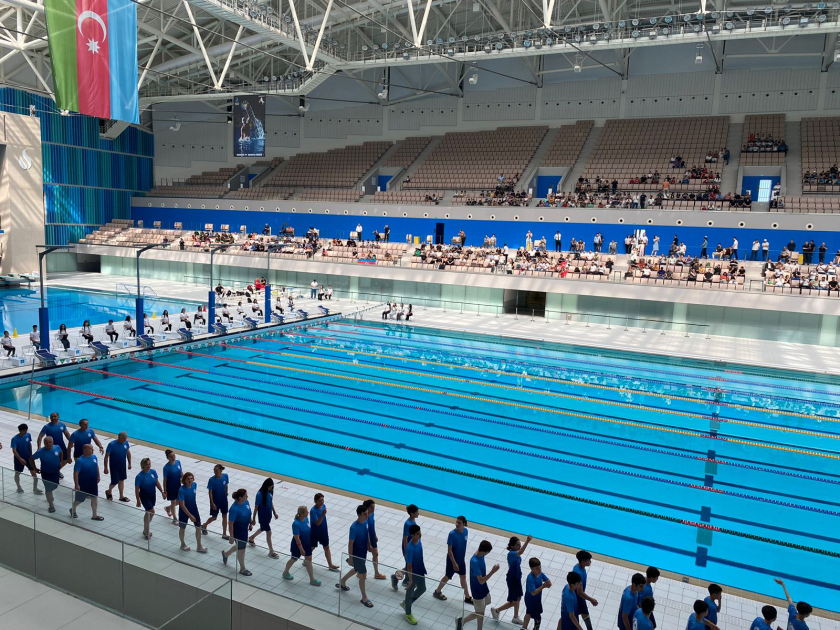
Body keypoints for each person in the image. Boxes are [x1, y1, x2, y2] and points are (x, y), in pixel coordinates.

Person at [455, 540, 499, 630]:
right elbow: (481, 581)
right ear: (484, 551)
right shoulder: (474, 561)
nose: (487, 554)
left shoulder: (481, 554)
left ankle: (466, 623)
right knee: (480, 613)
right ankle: (462, 621)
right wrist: (493, 571)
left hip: (484, 588)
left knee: (481, 611)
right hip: (477, 589)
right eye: (487, 552)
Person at [337, 504, 373, 608]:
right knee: (363, 575)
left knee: (357, 569)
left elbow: (367, 534)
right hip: (357, 554)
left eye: (367, 514)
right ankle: (364, 597)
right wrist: (351, 558)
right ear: (359, 515)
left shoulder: (365, 522)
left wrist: (369, 545)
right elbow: (350, 543)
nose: (367, 516)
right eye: (365, 514)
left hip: (363, 552)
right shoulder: (354, 527)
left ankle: (342, 581)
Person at [490, 534, 530, 623]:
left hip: (516, 578)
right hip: (513, 579)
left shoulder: (515, 553)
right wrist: (527, 541)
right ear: (512, 546)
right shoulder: (512, 554)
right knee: (514, 601)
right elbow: (521, 552)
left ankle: (515, 617)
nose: (519, 546)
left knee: (518, 598)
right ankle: (497, 610)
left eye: (520, 544)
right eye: (517, 545)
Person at [433, 516, 472, 604]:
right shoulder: (452, 534)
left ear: (464, 525)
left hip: (461, 560)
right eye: (456, 522)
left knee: (463, 577)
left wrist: (459, 561)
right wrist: (454, 563)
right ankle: (437, 591)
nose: (457, 524)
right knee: (447, 576)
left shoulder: (466, 531)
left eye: (459, 523)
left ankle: (467, 597)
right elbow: (449, 550)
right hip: (452, 560)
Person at [283, 505, 321, 585]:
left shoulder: (306, 519)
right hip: (298, 545)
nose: (308, 513)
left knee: (309, 559)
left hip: (306, 543)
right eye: (306, 512)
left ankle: (312, 579)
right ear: (302, 513)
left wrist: (312, 542)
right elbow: (297, 538)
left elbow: (308, 531)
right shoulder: (296, 524)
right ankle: (285, 572)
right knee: (294, 559)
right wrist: (301, 549)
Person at [222, 488, 253, 576]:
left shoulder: (246, 502)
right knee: (242, 550)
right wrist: (231, 536)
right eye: (245, 496)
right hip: (238, 531)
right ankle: (242, 569)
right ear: (240, 498)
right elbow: (230, 523)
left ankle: (225, 554)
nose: (247, 497)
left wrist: (250, 523)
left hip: (245, 529)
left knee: (240, 546)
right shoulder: (234, 509)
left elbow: (248, 513)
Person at [30, 436, 65, 512]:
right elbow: (31, 458)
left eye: (50, 442)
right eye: (46, 443)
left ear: (52, 442)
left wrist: (60, 462)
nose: (48, 444)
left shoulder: (57, 447)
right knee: (48, 488)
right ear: (44, 443)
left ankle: (49, 495)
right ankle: (51, 506)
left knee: (55, 485)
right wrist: (34, 468)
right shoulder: (41, 451)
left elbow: (61, 452)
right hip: (46, 473)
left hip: (55, 472)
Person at [70, 443, 102, 520]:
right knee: (80, 499)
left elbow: (96, 466)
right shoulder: (80, 461)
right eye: (91, 449)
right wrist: (76, 484)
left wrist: (98, 475)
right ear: (85, 451)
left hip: (93, 482)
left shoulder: (94, 457)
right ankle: (73, 509)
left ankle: (94, 515)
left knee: (94, 497)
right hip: (83, 483)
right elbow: (76, 473)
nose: (93, 450)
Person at [403, 524, 427, 626]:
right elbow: (409, 566)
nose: (420, 534)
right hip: (412, 574)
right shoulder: (410, 548)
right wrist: (410, 580)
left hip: (420, 571)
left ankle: (406, 604)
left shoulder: (419, 542)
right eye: (417, 533)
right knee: (409, 593)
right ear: (412, 535)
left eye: (420, 532)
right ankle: (408, 613)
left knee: (422, 588)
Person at [178, 471, 207, 553]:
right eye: (188, 479)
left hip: (194, 509)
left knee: (198, 527)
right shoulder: (181, 490)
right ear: (184, 480)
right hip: (184, 511)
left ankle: (199, 546)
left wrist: (192, 514)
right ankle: (182, 544)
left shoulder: (194, 485)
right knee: (182, 528)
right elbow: (182, 505)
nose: (190, 480)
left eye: (191, 478)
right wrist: (190, 516)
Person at [310, 492, 340, 571]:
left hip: (323, 531)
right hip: (315, 532)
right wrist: (323, 514)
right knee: (312, 547)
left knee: (326, 547)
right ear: (315, 501)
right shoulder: (313, 511)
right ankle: (306, 560)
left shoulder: (323, 506)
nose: (322, 502)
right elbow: (317, 523)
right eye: (320, 501)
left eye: (323, 500)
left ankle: (330, 565)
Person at [135, 457, 164, 539]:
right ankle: (146, 529)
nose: (148, 466)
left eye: (149, 464)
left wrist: (162, 491)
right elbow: (137, 489)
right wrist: (138, 500)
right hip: (144, 496)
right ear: (143, 466)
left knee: (149, 512)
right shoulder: (139, 476)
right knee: (151, 511)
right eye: (147, 464)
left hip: (152, 495)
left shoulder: (153, 472)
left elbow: (156, 482)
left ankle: (145, 528)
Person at [249, 477, 279, 557]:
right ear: (266, 486)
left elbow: (271, 502)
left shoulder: (269, 493)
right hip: (262, 516)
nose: (271, 488)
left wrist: (274, 512)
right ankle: (271, 551)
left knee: (263, 528)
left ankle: (251, 538)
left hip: (268, 515)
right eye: (270, 487)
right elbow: (256, 507)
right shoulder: (259, 494)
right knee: (269, 532)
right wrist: (254, 518)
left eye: (272, 487)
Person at [520, 557, 551, 630]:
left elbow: (548, 582)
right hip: (531, 600)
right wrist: (543, 586)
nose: (540, 569)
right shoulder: (530, 578)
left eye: (540, 567)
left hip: (536, 599)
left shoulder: (540, 574)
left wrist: (548, 583)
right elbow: (533, 593)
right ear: (531, 568)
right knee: (538, 617)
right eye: (537, 568)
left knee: (528, 613)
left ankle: (524, 628)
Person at [395, 504, 420, 588]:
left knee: (411, 565)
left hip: (412, 546)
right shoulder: (407, 523)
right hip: (408, 547)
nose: (418, 513)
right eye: (417, 512)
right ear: (412, 514)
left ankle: (404, 579)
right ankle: (402, 579)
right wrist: (406, 551)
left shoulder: (412, 521)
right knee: (410, 565)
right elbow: (405, 538)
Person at [572, 550, 598, 630]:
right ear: (583, 562)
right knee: (574, 617)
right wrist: (591, 599)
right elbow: (579, 592)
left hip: (578, 597)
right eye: (589, 560)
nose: (590, 562)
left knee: (585, 614)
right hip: (577, 598)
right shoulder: (579, 573)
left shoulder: (578, 566)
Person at [11, 423, 40, 494]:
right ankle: (18, 487)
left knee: (34, 473)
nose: (25, 432)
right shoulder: (14, 439)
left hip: (28, 457)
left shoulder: (28, 435)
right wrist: (20, 459)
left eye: (26, 430)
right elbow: (14, 451)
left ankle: (35, 488)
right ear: (20, 431)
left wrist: (31, 454)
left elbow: (29, 444)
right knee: (17, 473)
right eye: (24, 431)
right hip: (18, 459)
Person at [202, 464, 229, 538]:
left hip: (223, 500)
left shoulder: (225, 476)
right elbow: (210, 492)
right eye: (214, 471)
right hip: (215, 501)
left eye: (216, 471)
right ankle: (204, 525)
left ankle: (224, 533)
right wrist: (212, 503)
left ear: (221, 470)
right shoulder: (212, 480)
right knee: (214, 517)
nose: (215, 472)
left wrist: (226, 493)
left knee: (225, 516)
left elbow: (226, 485)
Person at [362, 499, 386, 580]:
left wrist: (375, 535)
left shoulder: (372, 514)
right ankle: (359, 572)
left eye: (374, 507)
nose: (373, 509)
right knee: (363, 555)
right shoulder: (365, 517)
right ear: (367, 508)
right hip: (366, 538)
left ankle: (376, 573)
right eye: (371, 507)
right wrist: (369, 544)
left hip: (372, 537)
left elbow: (373, 526)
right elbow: (366, 531)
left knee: (375, 554)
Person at [104, 432, 131, 501]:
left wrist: (129, 463)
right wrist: (105, 467)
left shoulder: (126, 443)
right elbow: (106, 456)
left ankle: (121, 496)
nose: (126, 440)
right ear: (120, 438)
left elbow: (128, 453)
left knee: (121, 480)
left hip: (122, 465)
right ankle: (109, 491)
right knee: (115, 481)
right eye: (124, 438)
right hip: (114, 466)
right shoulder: (112, 444)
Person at [162, 449, 183, 525]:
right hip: (170, 487)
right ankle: (175, 518)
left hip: (178, 485)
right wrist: (165, 491)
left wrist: (184, 480)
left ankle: (168, 508)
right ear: (167, 458)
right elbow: (165, 480)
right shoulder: (166, 467)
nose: (173, 457)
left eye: (174, 455)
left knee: (179, 502)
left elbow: (181, 472)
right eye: (171, 456)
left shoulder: (178, 462)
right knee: (173, 501)